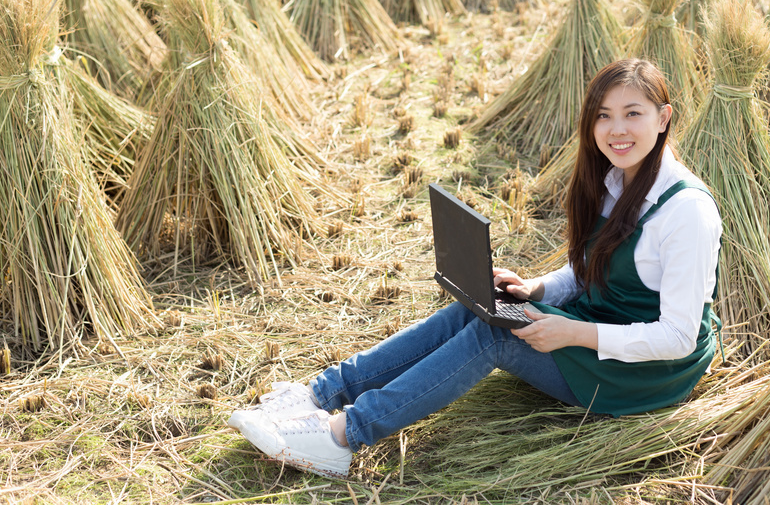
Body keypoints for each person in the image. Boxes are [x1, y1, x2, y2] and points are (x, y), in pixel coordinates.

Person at [226, 58, 722, 479]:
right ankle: (320, 394)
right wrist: (535, 287)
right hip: (601, 327)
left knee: (496, 336)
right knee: (484, 308)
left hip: (646, 370)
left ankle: (342, 436)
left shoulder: (686, 212)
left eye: (633, 114)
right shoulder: (616, 180)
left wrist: (573, 334)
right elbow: (592, 270)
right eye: (604, 116)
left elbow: (677, 336)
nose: (616, 129)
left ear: (664, 119)